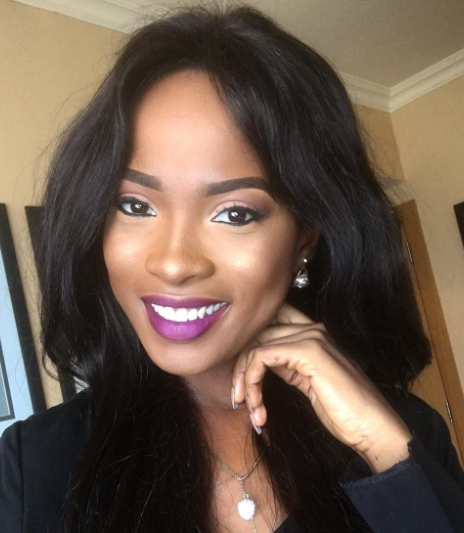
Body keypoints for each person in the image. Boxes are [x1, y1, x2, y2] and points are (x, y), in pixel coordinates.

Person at [1, 4, 464, 533]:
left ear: (305, 240)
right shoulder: (35, 466)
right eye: (134, 205)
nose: (174, 263)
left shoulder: (403, 436)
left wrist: (385, 451)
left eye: (235, 214)